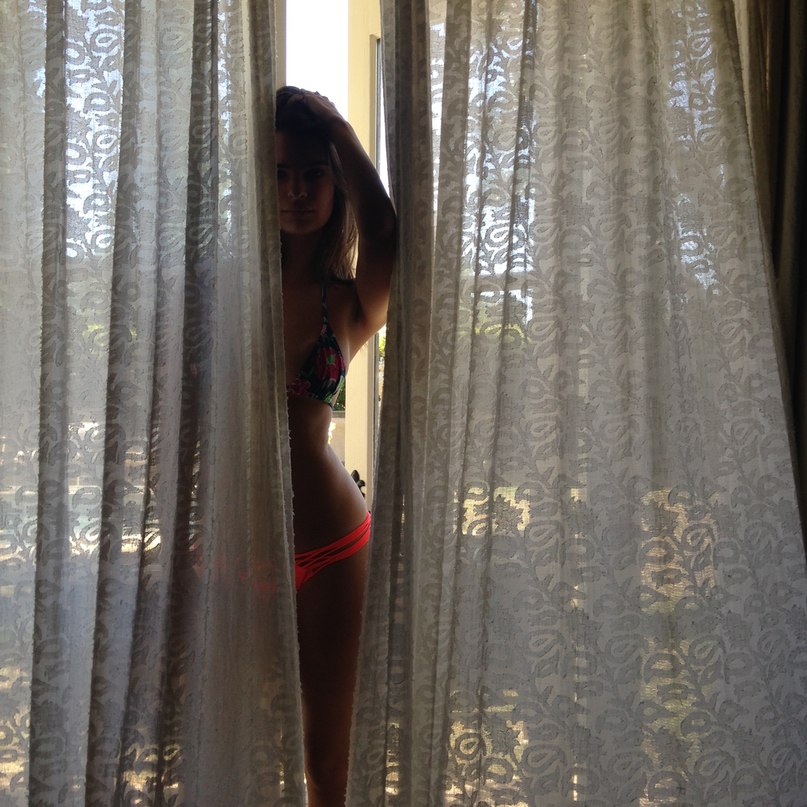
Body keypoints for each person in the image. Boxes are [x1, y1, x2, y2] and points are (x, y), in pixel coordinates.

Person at [275, 86, 396, 806]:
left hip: (331, 549)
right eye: (282, 173)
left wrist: (340, 130)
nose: (297, 191)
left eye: (313, 174)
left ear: (335, 184)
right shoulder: (224, 296)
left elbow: (384, 233)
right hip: (234, 548)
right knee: (241, 744)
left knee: (329, 766)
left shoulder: (348, 301)